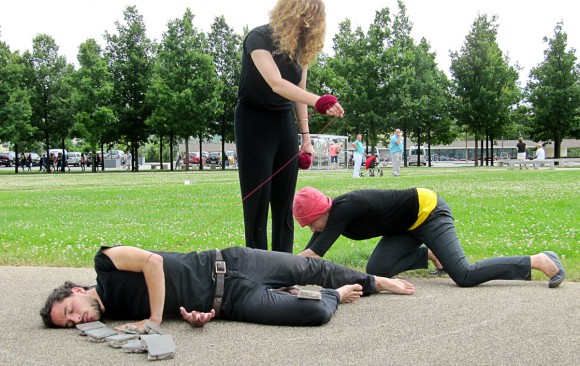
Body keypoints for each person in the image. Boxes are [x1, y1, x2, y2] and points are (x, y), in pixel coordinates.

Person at [40, 245, 415, 330]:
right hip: (231, 301)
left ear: (74, 290)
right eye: (69, 325)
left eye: (70, 312)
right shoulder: (118, 318)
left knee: (309, 267)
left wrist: (153, 318)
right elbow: (180, 307)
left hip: (230, 262)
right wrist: (193, 316)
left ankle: (375, 281)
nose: (77, 320)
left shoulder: (105, 263)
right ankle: (337, 294)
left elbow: (153, 263)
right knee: (315, 311)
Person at [292, 186, 566, 288]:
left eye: (309, 222)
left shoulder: (342, 210)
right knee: (378, 270)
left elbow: (314, 256)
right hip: (405, 227)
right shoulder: (330, 219)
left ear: (320, 210)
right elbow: (309, 251)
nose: (309, 228)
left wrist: (276, 271)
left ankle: (538, 259)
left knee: (465, 275)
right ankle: (431, 254)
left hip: (430, 212)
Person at [234, 0, 344, 253]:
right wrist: (320, 101)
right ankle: (258, 268)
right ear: (292, 12)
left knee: (284, 203)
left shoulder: (300, 49)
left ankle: (284, 268)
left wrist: (305, 137)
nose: (308, 25)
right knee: (257, 204)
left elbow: (298, 92)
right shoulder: (258, 38)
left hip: (283, 121)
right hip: (253, 120)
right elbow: (277, 84)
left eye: (313, 21)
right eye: (306, 18)